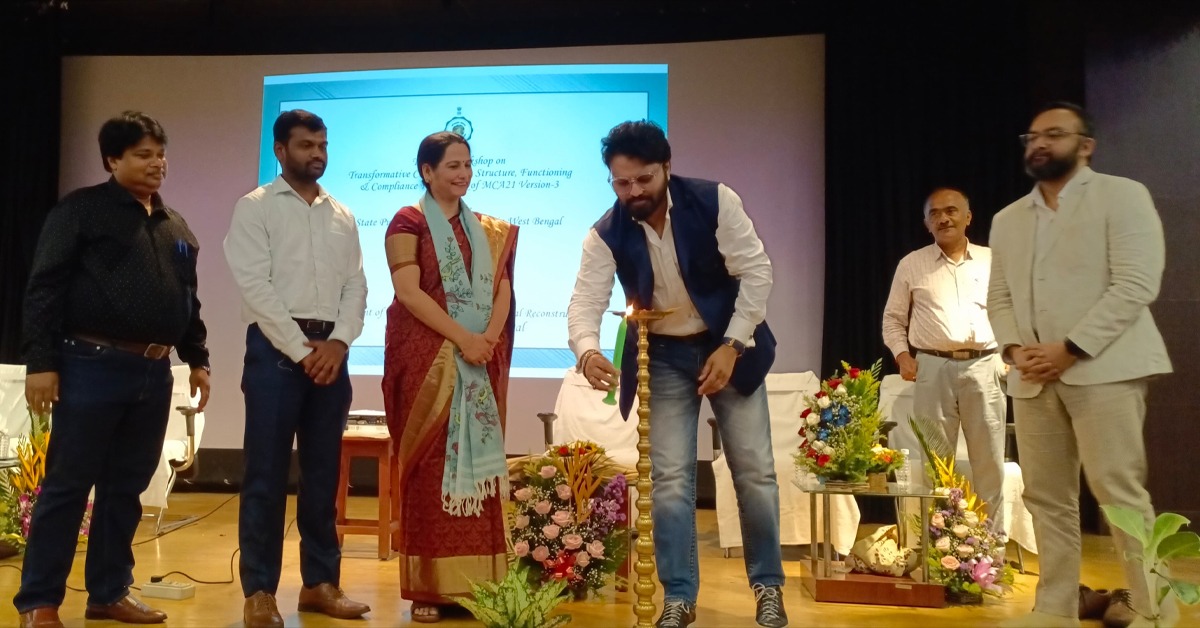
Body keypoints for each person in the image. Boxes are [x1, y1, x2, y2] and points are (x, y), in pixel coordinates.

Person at [567, 121, 786, 628]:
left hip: (729, 345)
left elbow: (757, 272)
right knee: (668, 480)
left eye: (643, 179)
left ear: (666, 167)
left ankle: (768, 589)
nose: (633, 192)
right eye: (622, 183)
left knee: (754, 471)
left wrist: (732, 345)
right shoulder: (605, 233)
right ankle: (679, 597)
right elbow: (585, 301)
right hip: (662, 355)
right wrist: (587, 351)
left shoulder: (714, 201)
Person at [15, 111, 211, 628]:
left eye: (160, 154)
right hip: (90, 364)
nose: (157, 163)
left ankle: (108, 592)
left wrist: (198, 358)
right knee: (68, 485)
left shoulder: (175, 225)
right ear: (112, 159)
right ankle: (39, 601)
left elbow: (188, 300)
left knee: (126, 488)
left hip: (154, 372)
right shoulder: (81, 211)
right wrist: (41, 363)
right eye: (143, 154)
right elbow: (44, 287)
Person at [989, 102, 1173, 628]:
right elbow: (999, 297)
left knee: (1119, 493)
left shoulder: (1122, 195)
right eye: (1032, 137)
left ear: (1086, 145)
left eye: (1054, 134)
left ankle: (1154, 610)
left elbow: (1137, 282)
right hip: (1031, 377)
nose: (1040, 144)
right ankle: (1055, 606)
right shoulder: (1007, 219)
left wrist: (1069, 348)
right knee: (1046, 497)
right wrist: (1013, 350)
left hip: (1105, 369)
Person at [224, 110, 369, 627]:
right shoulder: (255, 207)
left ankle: (320, 584)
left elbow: (356, 284)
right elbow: (255, 286)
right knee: (265, 474)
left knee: (323, 475)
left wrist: (339, 343)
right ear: (280, 150)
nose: (318, 154)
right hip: (275, 352)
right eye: (307, 145)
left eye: (323, 144)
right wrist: (301, 350)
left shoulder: (342, 213)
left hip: (331, 352)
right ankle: (260, 591)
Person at [382, 131, 517, 624]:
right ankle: (431, 589)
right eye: (452, 165)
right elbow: (408, 292)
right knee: (430, 469)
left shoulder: (489, 229)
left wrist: (488, 340)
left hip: (478, 361)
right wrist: (463, 338)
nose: (463, 174)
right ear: (427, 171)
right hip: (429, 363)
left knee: (481, 471)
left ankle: (481, 586)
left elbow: (502, 290)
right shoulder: (408, 221)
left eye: (468, 164)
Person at [882, 187, 1007, 530]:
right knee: (937, 462)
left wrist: (1011, 350)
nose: (943, 218)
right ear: (926, 223)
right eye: (934, 213)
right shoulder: (912, 264)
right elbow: (893, 319)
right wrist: (902, 355)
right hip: (932, 366)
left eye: (951, 211)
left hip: (985, 365)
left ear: (968, 217)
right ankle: (943, 544)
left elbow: (1012, 309)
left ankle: (990, 547)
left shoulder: (993, 260)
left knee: (989, 463)